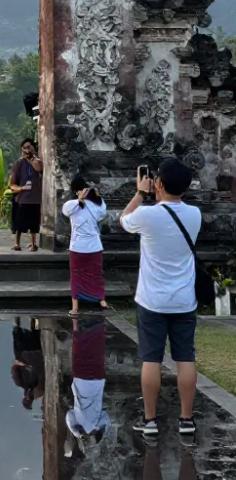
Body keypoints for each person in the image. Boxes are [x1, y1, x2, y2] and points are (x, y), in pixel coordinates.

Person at [120, 158, 201, 439]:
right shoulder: (195, 215)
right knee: (185, 358)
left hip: (152, 300)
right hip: (184, 300)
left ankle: (151, 421)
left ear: (159, 183)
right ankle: (187, 419)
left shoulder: (147, 215)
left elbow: (123, 220)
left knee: (151, 359)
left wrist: (140, 194)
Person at [62, 175, 108, 316]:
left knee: (96, 274)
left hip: (94, 245)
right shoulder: (71, 205)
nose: (85, 192)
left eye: (86, 189)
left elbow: (103, 212)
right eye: (82, 190)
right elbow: (66, 211)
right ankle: (75, 306)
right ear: (77, 191)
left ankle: (101, 299)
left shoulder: (94, 205)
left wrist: (98, 197)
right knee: (76, 276)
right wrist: (80, 200)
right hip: (78, 246)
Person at [65, 318, 110, 452]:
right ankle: (77, 323)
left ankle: (98, 324)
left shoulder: (98, 425)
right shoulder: (77, 426)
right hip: (80, 381)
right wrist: (76, 433)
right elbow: (69, 415)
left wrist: (102, 431)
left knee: (96, 352)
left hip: (97, 381)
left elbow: (106, 416)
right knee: (79, 350)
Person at [10, 138, 43, 252]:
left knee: (34, 224)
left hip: (35, 198)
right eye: (25, 148)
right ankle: (16, 243)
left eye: (29, 147)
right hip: (23, 198)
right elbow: (12, 184)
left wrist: (30, 159)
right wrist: (21, 188)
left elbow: (39, 168)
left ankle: (33, 243)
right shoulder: (18, 163)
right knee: (19, 223)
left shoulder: (37, 161)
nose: (27, 149)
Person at [11, 316, 45, 410]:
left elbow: (14, 367)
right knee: (36, 332)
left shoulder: (20, 382)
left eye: (26, 400)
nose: (28, 399)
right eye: (29, 401)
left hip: (25, 357)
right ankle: (36, 318)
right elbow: (42, 386)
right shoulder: (38, 391)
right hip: (37, 357)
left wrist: (21, 364)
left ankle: (16, 322)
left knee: (18, 350)